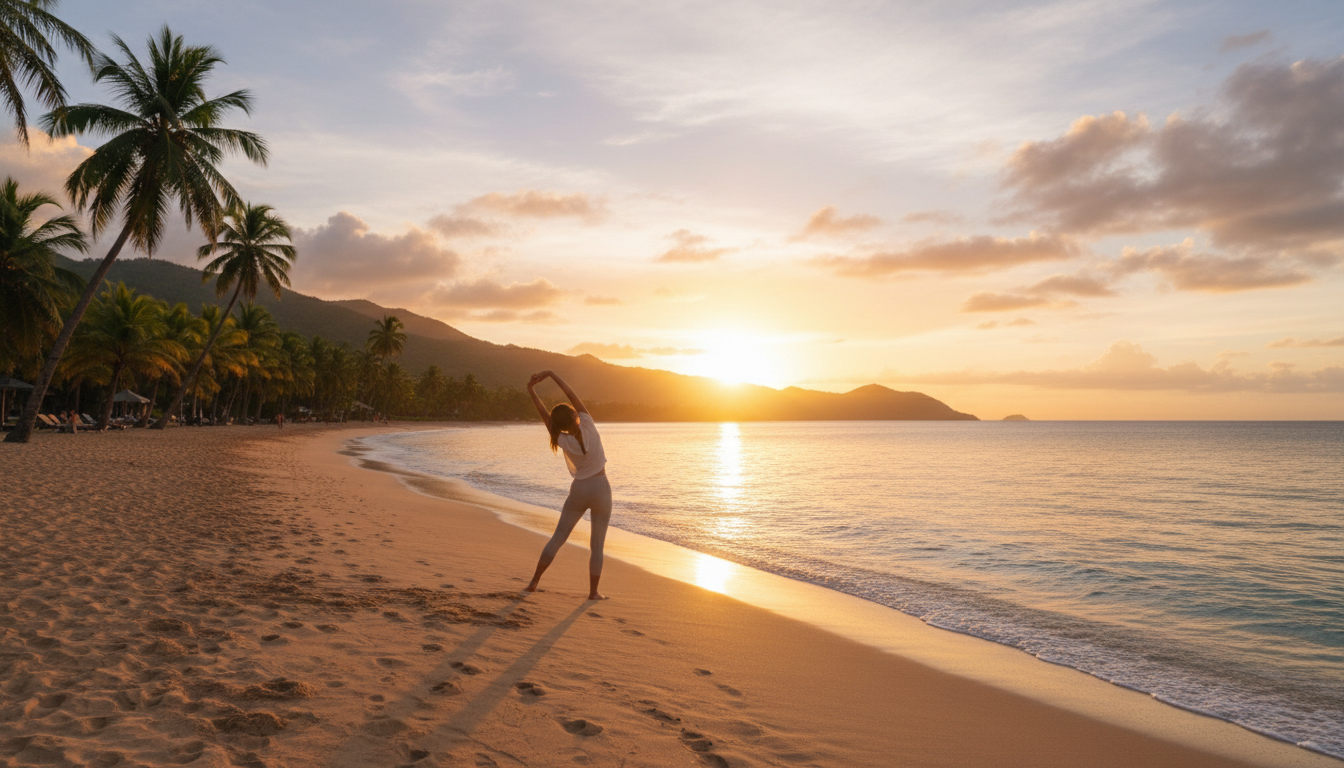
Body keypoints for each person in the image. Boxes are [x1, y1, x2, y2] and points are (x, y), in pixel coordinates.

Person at [524, 370, 611, 600]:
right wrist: (552, 374)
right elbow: (570, 393)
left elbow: (542, 412)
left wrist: (531, 389)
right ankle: (593, 593)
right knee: (597, 546)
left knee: (558, 538)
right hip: (601, 488)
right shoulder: (589, 424)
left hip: (579, 490)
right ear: (576, 416)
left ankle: (534, 581)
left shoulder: (561, 439)